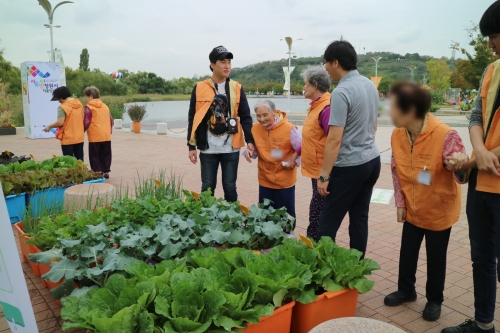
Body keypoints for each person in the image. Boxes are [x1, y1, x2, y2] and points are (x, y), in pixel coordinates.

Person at [383, 82, 468, 322]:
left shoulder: (445, 134)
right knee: (407, 252)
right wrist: (400, 201)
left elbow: (461, 177)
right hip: (412, 206)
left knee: (435, 257)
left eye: (394, 108)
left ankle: (434, 299)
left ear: (411, 110)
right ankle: (406, 290)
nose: (390, 114)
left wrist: (461, 166)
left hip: (438, 209)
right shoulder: (397, 134)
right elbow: (394, 169)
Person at [443, 2, 500, 332]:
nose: (489, 44)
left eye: (493, 35)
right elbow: (477, 117)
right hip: (481, 182)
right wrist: (478, 151)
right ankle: (483, 324)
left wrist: (482, 154)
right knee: (481, 257)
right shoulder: (491, 71)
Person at [316, 40, 381, 257]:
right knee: (359, 217)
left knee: (327, 222)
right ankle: (356, 267)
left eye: (326, 63)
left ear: (335, 62)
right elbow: (374, 123)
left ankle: (322, 272)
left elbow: (334, 139)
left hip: (350, 165)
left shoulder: (342, 91)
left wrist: (324, 175)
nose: (325, 68)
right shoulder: (369, 85)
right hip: (372, 160)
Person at [187, 46, 254, 202]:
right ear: (212, 64)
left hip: (231, 147)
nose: (227, 66)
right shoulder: (199, 88)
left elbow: (245, 117)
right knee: (207, 186)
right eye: (222, 62)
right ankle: (205, 220)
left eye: (229, 62)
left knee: (230, 186)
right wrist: (191, 146)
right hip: (208, 148)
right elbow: (193, 117)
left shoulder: (237, 87)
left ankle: (232, 221)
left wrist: (250, 140)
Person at [244, 100, 301, 220]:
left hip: (284, 180)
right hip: (265, 179)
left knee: (286, 214)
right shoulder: (255, 129)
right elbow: (257, 149)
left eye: (265, 115)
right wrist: (249, 152)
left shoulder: (289, 128)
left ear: (274, 113)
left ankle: (288, 236)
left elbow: (302, 147)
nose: (262, 119)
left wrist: (292, 159)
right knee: (266, 214)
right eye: (258, 116)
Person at [300, 65, 331, 238]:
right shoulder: (316, 106)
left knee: (318, 214)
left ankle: (316, 250)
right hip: (316, 170)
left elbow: (334, 141)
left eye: (306, 84)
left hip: (323, 172)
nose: (303, 87)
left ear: (316, 85)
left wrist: (325, 175)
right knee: (317, 210)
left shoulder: (326, 108)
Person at [43, 86, 85, 160]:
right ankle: (81, 172)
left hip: (68, 139)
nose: (58, 101)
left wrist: (49, 126)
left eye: (58, 98)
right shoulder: (79, 104)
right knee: (80, 160)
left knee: (68, 162)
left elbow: (60, 122)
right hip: (79, 137)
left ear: (61, 97)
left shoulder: (62, 107)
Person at [83, 86, 113, 179]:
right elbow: (111, 119)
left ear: (91, 96)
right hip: (106, 135)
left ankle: (98, 172)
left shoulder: (89, 107)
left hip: (95, 135)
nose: (87, 99)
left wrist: (82, 130)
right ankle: (106, 171)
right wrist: (109, 130)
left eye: (87, 97)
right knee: (106, 154)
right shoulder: (105, 106)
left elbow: (87, 121)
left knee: (94, 154)